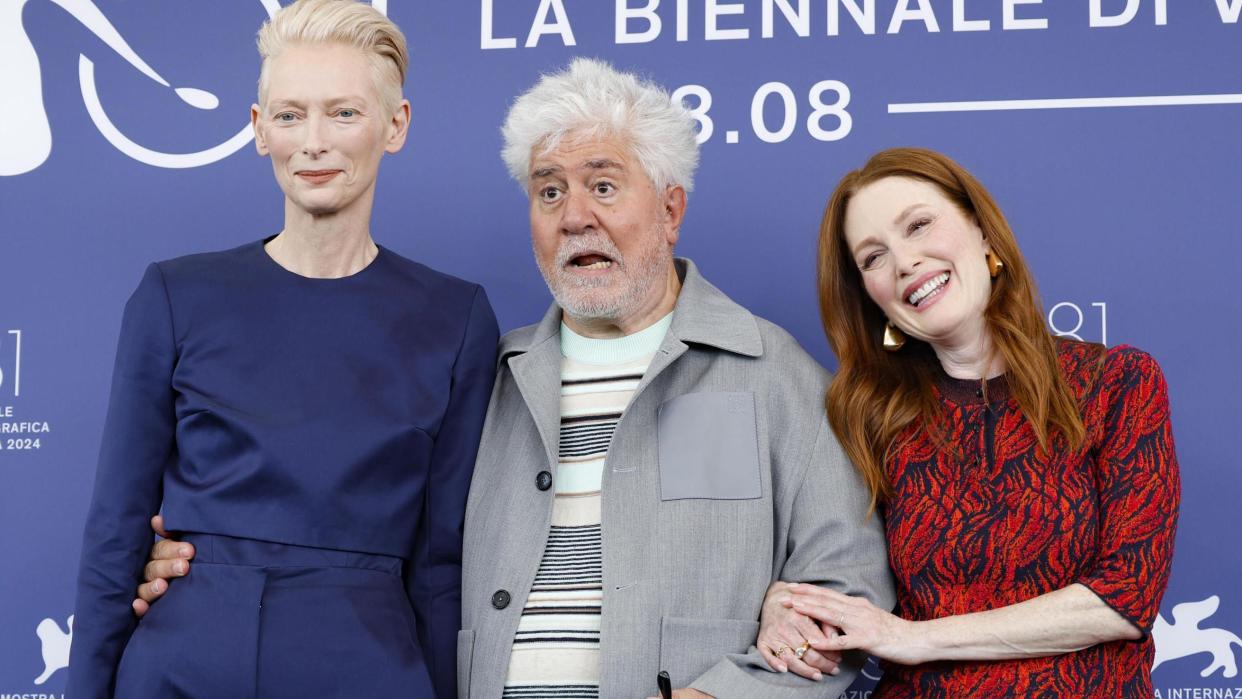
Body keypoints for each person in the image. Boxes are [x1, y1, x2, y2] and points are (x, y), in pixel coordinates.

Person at [135, 57, 895, 699]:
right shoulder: (487, 376)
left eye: (603, 185)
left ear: (670, 209)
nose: (573, 216)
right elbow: (365, 533)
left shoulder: (769, 371)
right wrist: (205, 564)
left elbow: (848, 595)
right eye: (548, 190)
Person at [68, 1, 497, 697]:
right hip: (183, 666)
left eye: (344, 113)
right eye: (291, 115)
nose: (314, 142)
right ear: (259, 130)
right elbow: (115, 533)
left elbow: (441, 561)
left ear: (396, 126)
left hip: (370, 667)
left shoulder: (455, 316)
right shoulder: (176, 295)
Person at [757, 147, 1180, 696]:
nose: (905, 261)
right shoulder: (865, 419)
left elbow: (1126, 599)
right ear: (871, 297)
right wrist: (783, 606)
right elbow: (830, 572)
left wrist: (913, 638)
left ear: (982, 232)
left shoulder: (1120, 384)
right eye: (873, 257)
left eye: (919, 225)